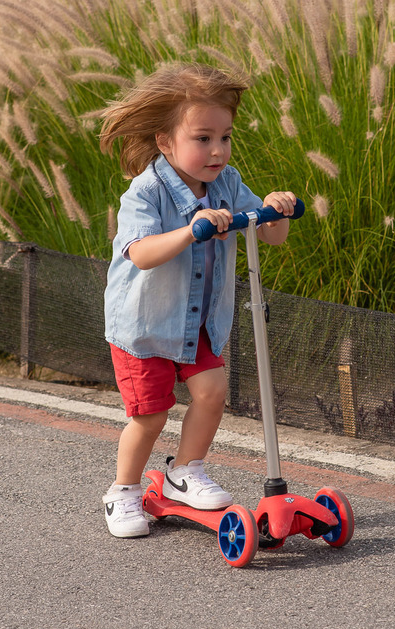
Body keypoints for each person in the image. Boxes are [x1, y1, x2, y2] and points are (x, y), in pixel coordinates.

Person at [98, 63, 296, 538]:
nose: (217, 151)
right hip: (144, 327)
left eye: (225, 138)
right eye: (203, 138)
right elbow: (141, 254)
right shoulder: (145, 192)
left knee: (212, 392)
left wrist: (275, 208)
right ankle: (122, 493)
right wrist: (190, 230)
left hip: (199, 323)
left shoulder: (227, 183)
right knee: (149, 416)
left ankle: (184, 470)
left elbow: (270, 235)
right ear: (166, 142)